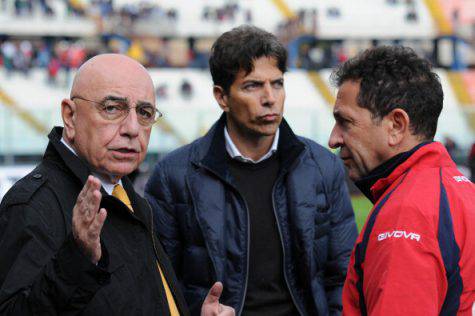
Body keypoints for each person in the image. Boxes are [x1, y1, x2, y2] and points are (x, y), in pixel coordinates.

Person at [145, 25, 357, 315]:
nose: (270, 97)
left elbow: (341, 275)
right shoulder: (173, 176)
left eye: (277, 83)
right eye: (252, 86)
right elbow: (157, 285)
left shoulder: (323, 167)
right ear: (222, 97)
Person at [0, 54, 234, 316]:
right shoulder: (32, 204)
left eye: (145, 113)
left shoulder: (130, 197)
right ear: (70, 116)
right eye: (112, 108)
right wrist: (76, 259)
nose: (132, 128)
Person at [328, 46, 475, 315]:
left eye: (345, 122)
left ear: (396, 125)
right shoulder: (464, 192)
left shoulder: (405, 215)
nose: (333, 139)